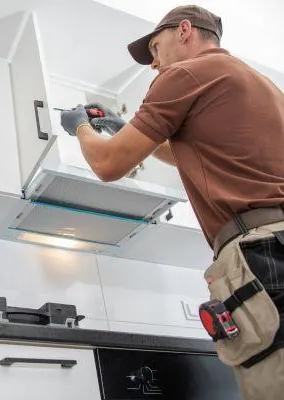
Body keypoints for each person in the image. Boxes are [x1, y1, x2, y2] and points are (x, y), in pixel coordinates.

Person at [60, 5, 284, 399]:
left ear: (184, 31)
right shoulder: (262, 85)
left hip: (264, 255)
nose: (153, 64)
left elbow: (109, 163)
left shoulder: (183, 75)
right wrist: (126, 127)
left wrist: (80, 126)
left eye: (155, 49)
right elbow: (191, 148)